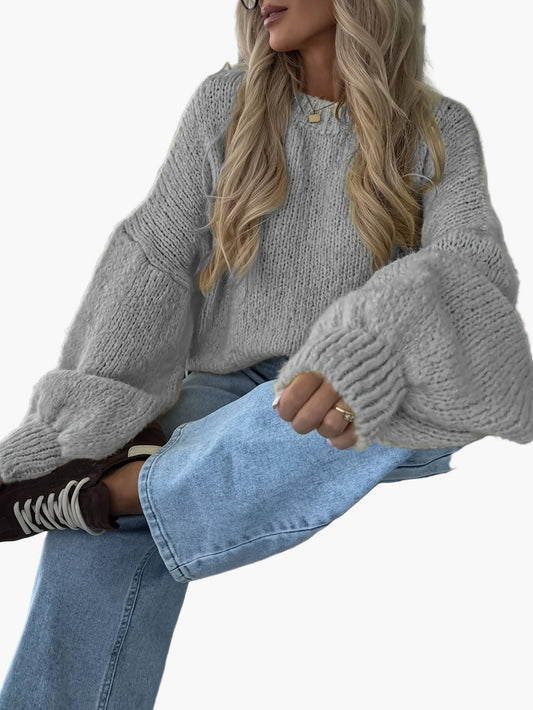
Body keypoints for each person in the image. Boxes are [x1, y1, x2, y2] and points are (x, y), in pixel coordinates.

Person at [1, 0, 532, 706]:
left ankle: (113, 492)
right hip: (230, 386)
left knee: (351, 404)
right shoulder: (227, 103)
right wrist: (78, 421)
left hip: (369, 391)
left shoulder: (438, 128)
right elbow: (155, 258)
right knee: (98, 527)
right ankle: (101, 496)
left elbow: (469, 264)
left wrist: (367, 344)